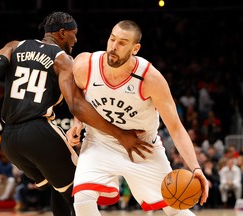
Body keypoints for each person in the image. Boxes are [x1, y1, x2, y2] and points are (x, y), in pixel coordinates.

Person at [0, 12, 150, 216]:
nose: (76, 39)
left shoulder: (14, 46)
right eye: (74, 34)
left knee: (58, 188)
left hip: (10, 141)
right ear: (62, 33)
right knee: (80, 195)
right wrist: (121, 135)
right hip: (39, 133)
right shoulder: (62, 60)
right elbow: (77, 106)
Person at [67, 20, 209, 216]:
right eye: (112, 39)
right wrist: (77, 123)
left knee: (175, 206)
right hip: (100, 142)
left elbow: (176, 128)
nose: (113, 47)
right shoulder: (85, 65)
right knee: (82, 200)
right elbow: (80, 99)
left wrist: (195, 167)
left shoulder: (151, 79)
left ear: (135, 48)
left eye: (122, 43)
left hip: (142, 148)